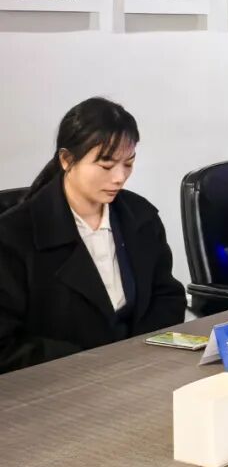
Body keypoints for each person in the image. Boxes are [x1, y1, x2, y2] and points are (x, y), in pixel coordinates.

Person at [0, 98, 186, 374]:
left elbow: (167, 295)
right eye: (106, 165)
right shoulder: (14, 236)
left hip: (139, 370)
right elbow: (6, 345)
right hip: (60, 381)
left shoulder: (141, 217)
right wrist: (89, 363)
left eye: (128, 164)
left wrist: (141, 353)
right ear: (66, 160)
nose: (120, 177)